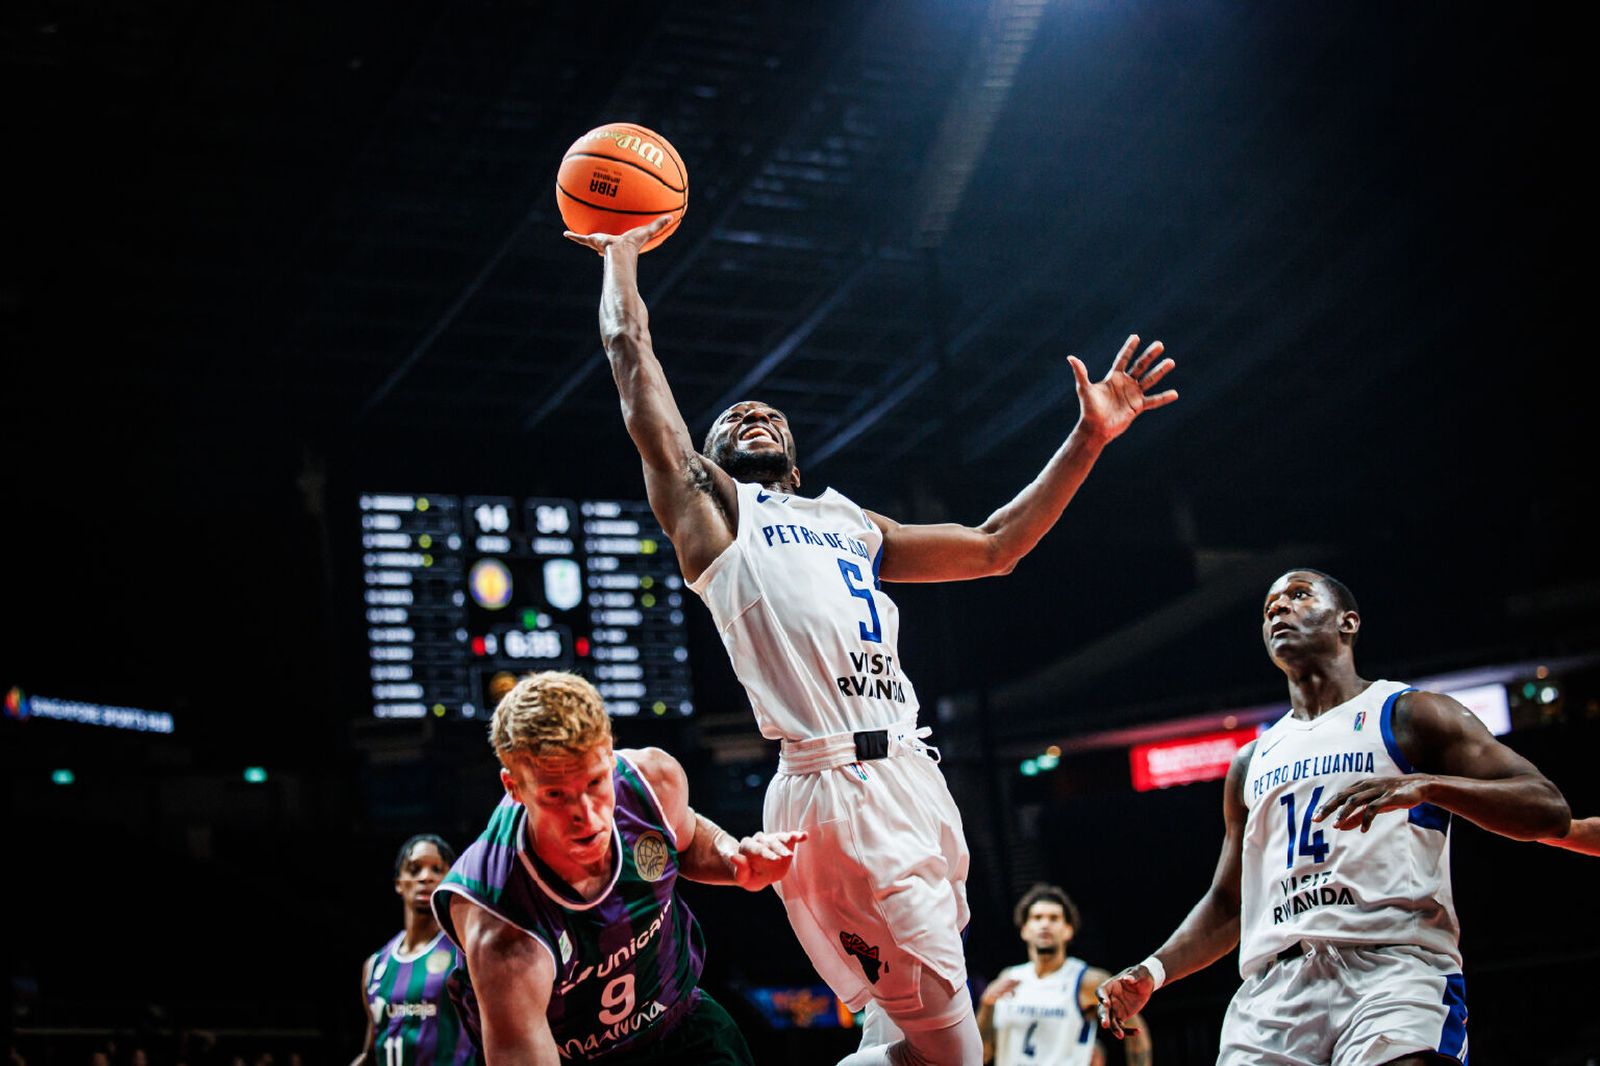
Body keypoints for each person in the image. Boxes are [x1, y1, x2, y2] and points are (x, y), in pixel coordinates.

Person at [566, 213, 1178, 1066]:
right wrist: (620, 253)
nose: (749, 411)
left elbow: (999, 546)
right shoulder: (716, 517)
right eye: (729, 416)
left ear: (796, 455)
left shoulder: (850, 520)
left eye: (766, 410)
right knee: (955, 1049)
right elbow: (633, 363)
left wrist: (1087, 437)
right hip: (832, 786)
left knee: (906, 1037)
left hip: (913, 777)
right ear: (697, 467)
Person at [1096, 569, 1571, 1065]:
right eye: (1268, 607)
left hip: (1390, 968)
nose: (1278, 609)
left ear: (1348, 622)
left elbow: (1546, 808)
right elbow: (1228, 901)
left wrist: (1428, 786)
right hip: (1274, 993)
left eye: (1298, 596)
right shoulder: (1251, 761)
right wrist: (1153, 969)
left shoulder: (1409, 713)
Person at [433, 671, 804, 1064]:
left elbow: (688, 835)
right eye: (556, 795)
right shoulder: (505, 930)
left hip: (683, 1028)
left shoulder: (653, 782)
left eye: (595, 783)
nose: (585, 814)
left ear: (610, 753)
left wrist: (734, 860)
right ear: (514, 787)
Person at [978, 884, 1150, 1066]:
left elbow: (1136, 1030)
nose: (1045, 924)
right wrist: (986, 1005)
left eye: (1054, 918)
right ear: (1024, 929)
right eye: (1037, 918)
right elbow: (983, 1054)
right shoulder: (1009, 978)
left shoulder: (1087, 980)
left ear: (1068, 930)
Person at [354, 834, 478, 1066]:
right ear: (399, 883)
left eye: (437, 869)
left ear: (450, 879)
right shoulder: (375, 966)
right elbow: (371, 1055)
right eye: (414, 869)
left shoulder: (466, 953)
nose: (426, 877)